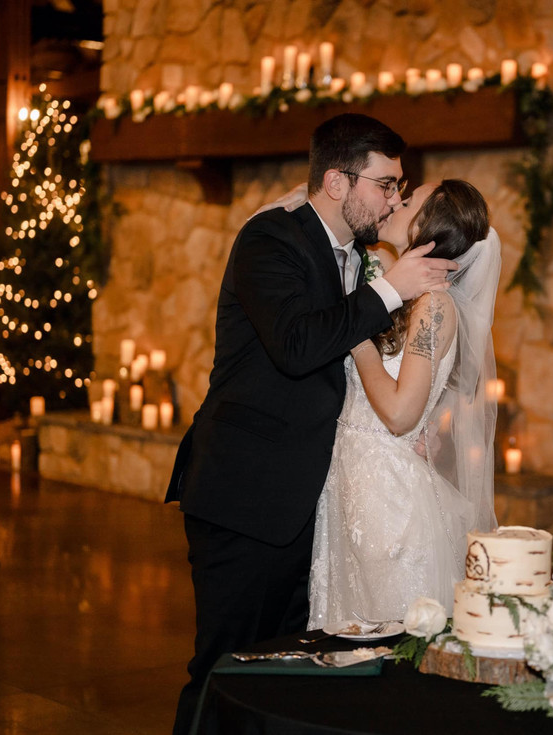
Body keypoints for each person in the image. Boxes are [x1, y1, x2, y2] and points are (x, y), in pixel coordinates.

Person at [164, 113, 457, 735]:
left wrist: (420, 422)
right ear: (336, 181)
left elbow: (382, 365)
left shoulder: (362, 255)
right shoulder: (269, 240)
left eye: (400, 187)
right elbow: (297, 346)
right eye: (385, 185)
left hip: (319, 505)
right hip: (246, 494)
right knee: (224, 668)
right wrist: (389, 291)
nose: (394, 200)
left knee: (289, 680)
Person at [307, 179, 501, 629]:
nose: (395, 200)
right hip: (354, 484)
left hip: (388, 499)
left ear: (427, 227)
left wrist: (356, 340)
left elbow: (399, 414)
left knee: (388, 635)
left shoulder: (434, 306)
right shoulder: (401, 294)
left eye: (408, 200)